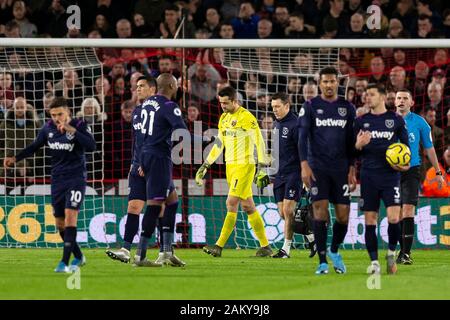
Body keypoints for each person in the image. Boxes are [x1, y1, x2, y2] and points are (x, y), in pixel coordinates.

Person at [3, 97, 96, 273]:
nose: (56, 118)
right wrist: (15, 159)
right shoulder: (48, 128)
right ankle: (79, 256)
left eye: (60, 114)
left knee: (70, 217)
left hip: (76, 178)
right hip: (57, 180)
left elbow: (91, 146)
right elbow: (34, 146)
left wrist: (72, 130)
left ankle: (64, 263)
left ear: (68, 111)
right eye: (53, 115)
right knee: (60, 224)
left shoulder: (80, 125)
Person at [195, 86, 272, 258]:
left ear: (235, 101)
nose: (222, 106)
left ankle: (218, 246)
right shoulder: (223, 118)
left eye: (226, 103)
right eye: (221, 103)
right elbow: (219, 144)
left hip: (244, 165)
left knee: (231, 203)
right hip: (231, 167)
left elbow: (259, 140)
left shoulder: (246, 117)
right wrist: (206, 164)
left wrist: (262, 167)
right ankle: (265, 246)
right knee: (248, 206)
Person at [298, 66, 357, 275]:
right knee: (320, 211)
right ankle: (322, 262)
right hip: (317, 168)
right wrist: (304, 164)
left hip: (341, 168)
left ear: (337, 83)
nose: (329, 85)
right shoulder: (310, 106)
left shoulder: (347, 108)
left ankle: (334, 250)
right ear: (319, 84)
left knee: (343, 216)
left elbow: (351, 141)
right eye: (325, 82)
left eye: (332, 81)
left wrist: (352, 167)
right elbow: (302, 137)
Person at [354, 84, 410, 275]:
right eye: (366, 95)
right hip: (368, 176)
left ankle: (391, 254)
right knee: (371, 220)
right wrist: (358, 145)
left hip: (390, 176)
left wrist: (405, 165)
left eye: (371, 94)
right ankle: (375, 262)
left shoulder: (396, 120)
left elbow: (407, 149)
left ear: (383, 96)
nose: (367, 97)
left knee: (394, 217)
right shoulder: (360, 121)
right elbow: (351, 152)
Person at [133, 73, 187, 267]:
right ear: (172, 85)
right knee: (155, 205)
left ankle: (166, 251)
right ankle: (140, 255)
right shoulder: (169, 106)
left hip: (146, 154)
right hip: (159, 158)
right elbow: (182, 132)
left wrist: (140, 160)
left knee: (172, 202)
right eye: (177, 85)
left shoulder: (146, 104)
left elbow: (139, 134)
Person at [105, 76, 157, 263]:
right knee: (133, 207)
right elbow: (139, 141)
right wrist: (136, 162)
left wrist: (147, 162)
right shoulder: (136, 112)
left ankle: (165, 250)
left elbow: (159, 141)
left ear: (152, 89)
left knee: (159, 210)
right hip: (137, 167)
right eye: (137, 86)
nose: (138, 89)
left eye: (142, 86)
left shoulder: (161, 111)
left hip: (154, 167)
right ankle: (126, 249)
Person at [395, 89, 445, 264]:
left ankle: (406, 254)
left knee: (408, 209)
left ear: (411, 103)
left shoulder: (420, 122)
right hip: (390, 172)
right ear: (394, 102)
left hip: (411, 170)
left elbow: (429, 148)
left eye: (404, 98)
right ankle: (402, 250)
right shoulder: (386, 121)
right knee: (395, 213)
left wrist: (438, 172)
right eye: (398, 98)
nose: (401, 101)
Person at [270, 92, 315, 258]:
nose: (274, 109)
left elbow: (305, 150)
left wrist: (305, 174)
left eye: (278, 106)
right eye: (273, 106)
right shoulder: (276, 124)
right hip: (279, 175)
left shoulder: (296, 124)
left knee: (289, 211)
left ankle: (285, 250)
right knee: (284, 214)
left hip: (294, 174)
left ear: (287, 106)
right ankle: (312, 238)